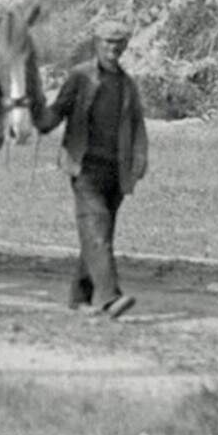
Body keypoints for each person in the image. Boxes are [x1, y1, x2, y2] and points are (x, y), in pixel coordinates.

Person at [45, 19, 154, 318]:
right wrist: (39, 120)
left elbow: (137, 125)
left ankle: (79, 296)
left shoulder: (127, 84)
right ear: (96, 44)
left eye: (118, 43)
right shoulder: (80, 77)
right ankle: (109, 297)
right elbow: (58, 110)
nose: (113, 48)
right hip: (85, 168)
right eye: (107, 42)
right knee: (98, 228)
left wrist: (140, 160)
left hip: (117, 172)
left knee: (98, 232)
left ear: (125, 46)